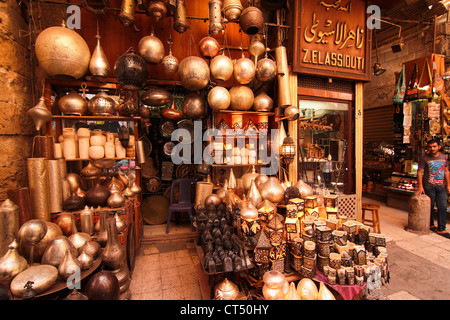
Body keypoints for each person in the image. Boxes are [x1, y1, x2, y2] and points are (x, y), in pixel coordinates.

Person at [416, 139, 450, 238]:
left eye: (434, 146)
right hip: (429, 186)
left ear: (439, 147)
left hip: (441, 186)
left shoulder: (444, 157)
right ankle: (430, 225)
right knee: (429, 207)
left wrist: (448, 185)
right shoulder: (424, 159)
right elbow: (419, 172)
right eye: (430, 147)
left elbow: (447, 172)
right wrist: (420, 186)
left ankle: (441, 229)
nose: (432, 148)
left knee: (443, 206)